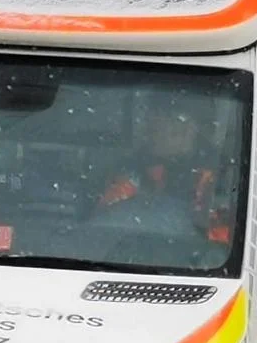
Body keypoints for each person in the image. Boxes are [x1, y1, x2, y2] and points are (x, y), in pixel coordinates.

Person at [98, 98, 231, 247]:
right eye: (149, 122)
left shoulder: (220, 177)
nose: (147, 129)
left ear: (187, 128)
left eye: (158, 122)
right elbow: (103, 225)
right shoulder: (132, 170)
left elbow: (222, 243)